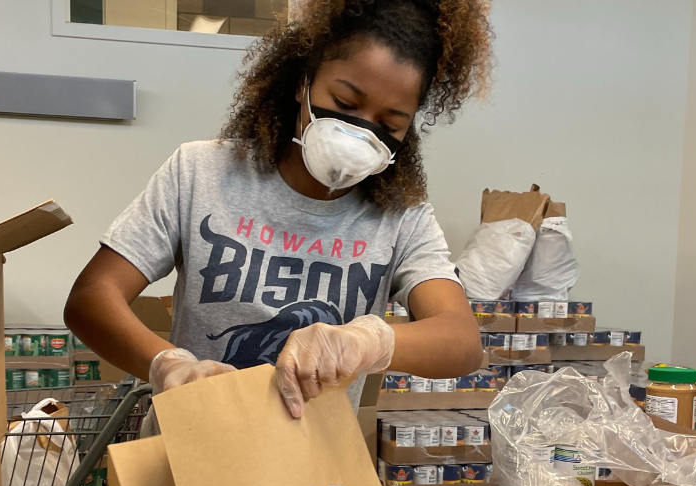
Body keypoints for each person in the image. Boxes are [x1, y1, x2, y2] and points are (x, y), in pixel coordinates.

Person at [64, 0, 492, 422]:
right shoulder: (201, 173)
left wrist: (369, 341)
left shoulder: (401, 217)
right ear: (303, 84)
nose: (360, 132)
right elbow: (91, 297)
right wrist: (167, 364)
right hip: (189, 445)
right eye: (344, 102)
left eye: (390, 124)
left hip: (310, 460)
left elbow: (462, 341)